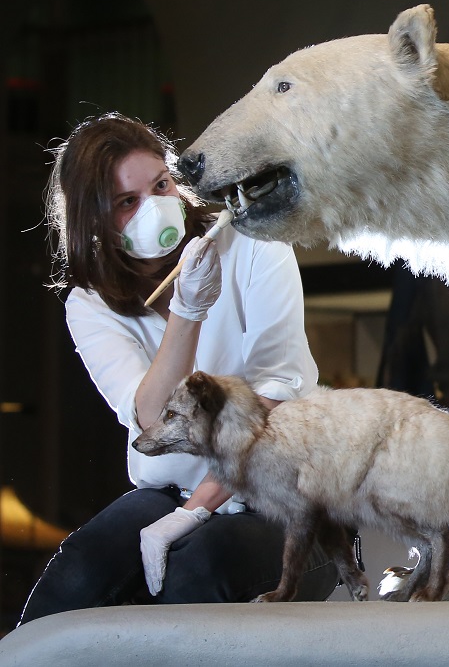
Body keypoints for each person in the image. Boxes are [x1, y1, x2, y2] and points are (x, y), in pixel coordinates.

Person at [18, 112, 340, 624]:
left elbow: (274, 398)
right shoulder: (90, 303)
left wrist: (195, 512)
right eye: (127, 203)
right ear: (93, 220)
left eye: (161, 185)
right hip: (167, 491)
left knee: (195, 575)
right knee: (76, 577)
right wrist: (186, 314)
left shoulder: (252, 244)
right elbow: (151, 419)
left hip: (282, 494)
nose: (156, 207)